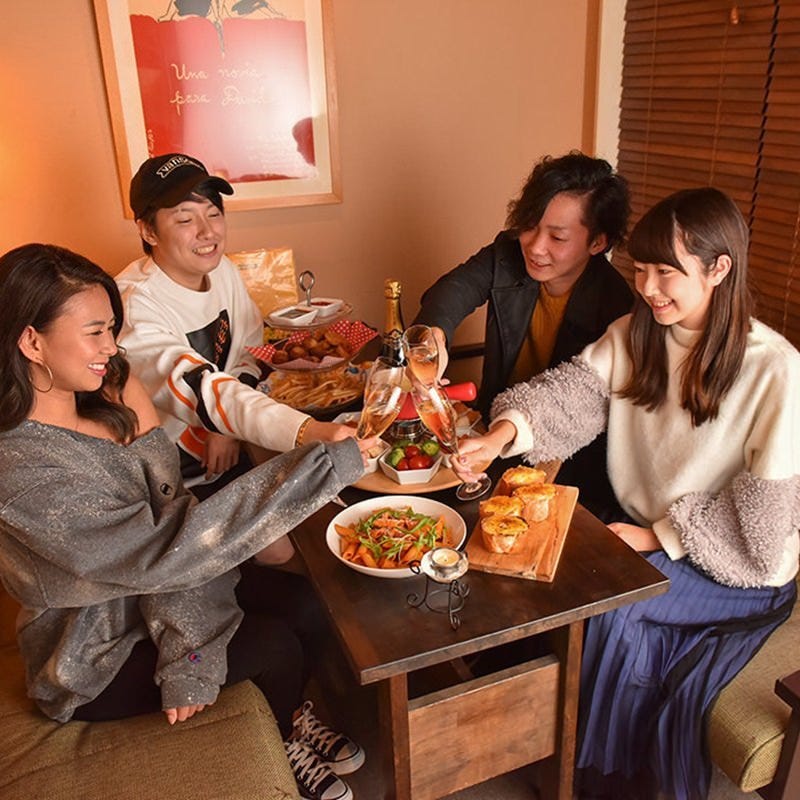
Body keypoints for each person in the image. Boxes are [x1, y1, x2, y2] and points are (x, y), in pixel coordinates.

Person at [452, 188, 800, 799]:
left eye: (667, 272)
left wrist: (659, 537)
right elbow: (571, 394)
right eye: (640, 269)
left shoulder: (775, 370)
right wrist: (499, 436)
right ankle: (538, 746)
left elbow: (764, 528)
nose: (648, 288)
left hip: (735, 567)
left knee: (613, 609)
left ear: (719, 268)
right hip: (647, 533)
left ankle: (602, 782)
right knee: (545, 569)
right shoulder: (637, 333)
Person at [0, 243, 373, 800]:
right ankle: (284, 740)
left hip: (162, 582)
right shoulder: (22, 470)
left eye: (112, 329)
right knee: (273, 646)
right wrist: (190, 659)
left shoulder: (111, 396)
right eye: (95, 332)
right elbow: (161, 554)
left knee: (308, 604)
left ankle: (291, 719)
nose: (111, 347)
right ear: (32, 342)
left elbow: (173, 518)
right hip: (92, 653)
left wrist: (186, 646)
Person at [116, 152, 354, 500]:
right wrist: (306, 430)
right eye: (185, 219)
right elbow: (194, 386)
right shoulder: (134, 305)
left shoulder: (222, 270)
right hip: (165, 484)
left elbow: (248, 349)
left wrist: (225, 431)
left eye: (214, 213)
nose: (207, 231)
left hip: (231, 455)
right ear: (148, 230)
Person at [413, 151, 633, 519]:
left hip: (568, 463)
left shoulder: (616, 307)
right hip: (494, 435)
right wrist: (433, 337)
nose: (535, 246)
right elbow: (453, 291)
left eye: (557, 237)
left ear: (598, 242)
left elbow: (580, 408)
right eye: (530, 225)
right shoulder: (508, 253)